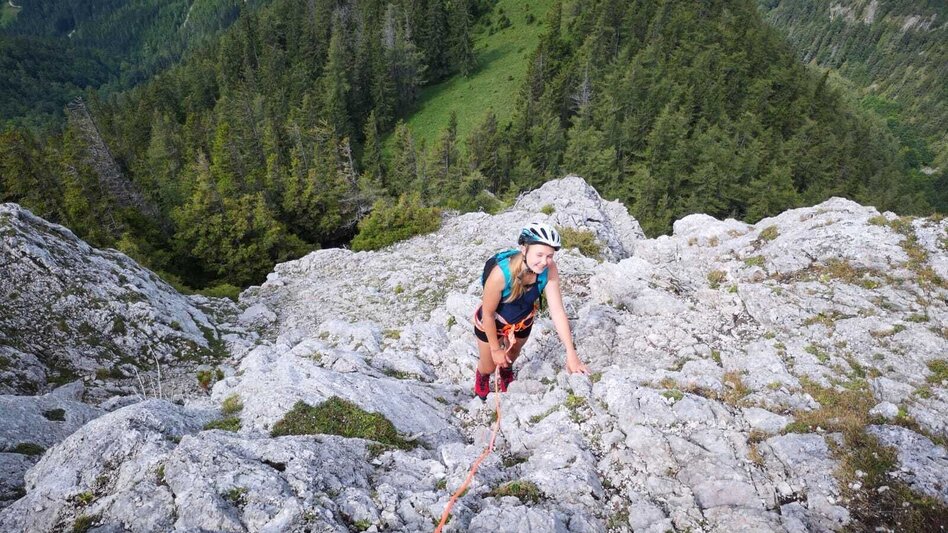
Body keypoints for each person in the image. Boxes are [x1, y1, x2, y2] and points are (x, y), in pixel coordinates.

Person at [472, 222, 590, 399]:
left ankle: (506, 371)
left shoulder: (548, 270)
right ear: (524, 249)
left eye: (549, 256)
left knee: (512, 354)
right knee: (489, 366)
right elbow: (488, 314)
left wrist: (571, 354)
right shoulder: (501, 274)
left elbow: (557, 311)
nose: (544, 262)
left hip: (522, 321)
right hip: (491, 323)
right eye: (540, 254)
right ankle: (482, 376)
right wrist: (496, 350)